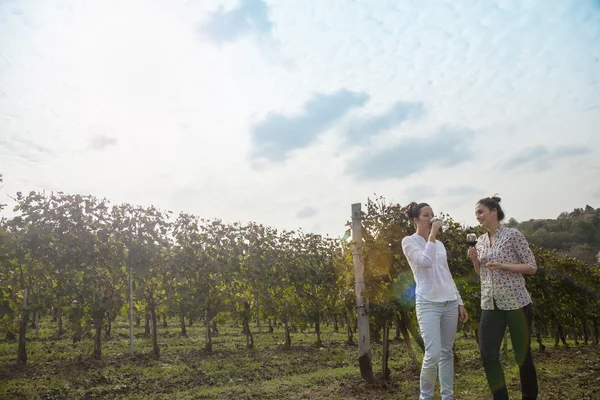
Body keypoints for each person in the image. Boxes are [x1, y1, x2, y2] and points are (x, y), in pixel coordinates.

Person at [467, 196, 539, 400]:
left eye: (480, 211)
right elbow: (482, 273)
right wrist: (475, 261)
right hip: (490, 303)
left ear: (493, 211)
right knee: (488, 355)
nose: (477, 216)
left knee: (522, 356)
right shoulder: (480, 240)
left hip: (516, 302)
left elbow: (532, 267)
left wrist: (504, 266)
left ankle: (529, 397)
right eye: (476, 213)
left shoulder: (512, 234)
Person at [401, 202, 468, 400]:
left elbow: (446, 273)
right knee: (433, 354)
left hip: (449, 301)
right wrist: (432, 236)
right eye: (426, 215)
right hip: (428, 303)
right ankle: (426, 396)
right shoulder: (408, 242)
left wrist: (459, 301)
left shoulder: (439, 245)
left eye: (433, 214)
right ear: (415, 220)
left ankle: (448, 396)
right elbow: (425, 262)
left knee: (446, 353)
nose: (431, 218)